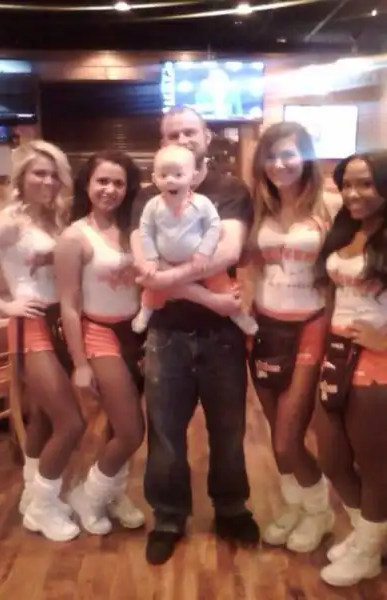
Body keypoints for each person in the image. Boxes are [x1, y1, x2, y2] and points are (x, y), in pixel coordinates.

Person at [131, 105, 259, 566]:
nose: (182, 139)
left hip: (222, 336)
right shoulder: (147, 196)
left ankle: (231, 508)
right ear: (161, 143)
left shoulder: (229, 190)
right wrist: (198, 291)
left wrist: (165, 278)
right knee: (165, 433)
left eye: (190, 132)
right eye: (173, 134)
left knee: (228, 430)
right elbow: (142, 259)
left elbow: (226, 253)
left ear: (207, 137)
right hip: (165, 334)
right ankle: (168, 517)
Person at [0, 140, 84, 542]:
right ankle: (42, 507)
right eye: (39, 173)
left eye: (54, 174)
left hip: (59, 321)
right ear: (21, 177)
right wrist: (4, 306)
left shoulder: (54, 218)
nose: (48, 181)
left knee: (43, 418)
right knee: (71, 422)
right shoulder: (11, 219)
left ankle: (33, 494)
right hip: (30, 324)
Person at [247, 122, 334, 553]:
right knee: (274, 431)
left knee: (287, 437)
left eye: (288, 154)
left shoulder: (329, 205)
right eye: (271, 156)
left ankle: (319, 511)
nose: (279, 164)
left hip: (310, 326)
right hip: (263, 326)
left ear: (306, 157)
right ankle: (294, 506)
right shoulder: (259, 207)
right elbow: (250, 266)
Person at [55, 150, 147, 535]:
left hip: (136, 334)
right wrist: (79, 364)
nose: (110, 189)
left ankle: (114, 494)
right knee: (131, 431)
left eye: (118, 183)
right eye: (102, 181)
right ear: (87, 185)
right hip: (99, 333)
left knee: (117, 428)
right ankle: (87, 496)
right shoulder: (74, 237)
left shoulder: (134, 230)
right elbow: (69, 305)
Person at [315, 151, 387, 586]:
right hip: (337, 353)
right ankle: (369, 535)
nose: (353, 193)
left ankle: (367, 551)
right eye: (347, 184)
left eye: (365, 184)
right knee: (332, 456)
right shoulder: (346, 230)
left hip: (377, 363)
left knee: (375, 465)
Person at [133, 144, 257, 335]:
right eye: (163, 175)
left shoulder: (201, 203)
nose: (170, 180)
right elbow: (146, 232)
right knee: (152, 293)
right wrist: (150, 258)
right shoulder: (152, 205)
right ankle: (146, 312)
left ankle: (237, 315)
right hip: (164, 262)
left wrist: (204, 252)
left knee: (223, 288)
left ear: (193, 176)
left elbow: (214, 226)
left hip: (199, 260)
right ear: (154, 178)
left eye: (178, 175)